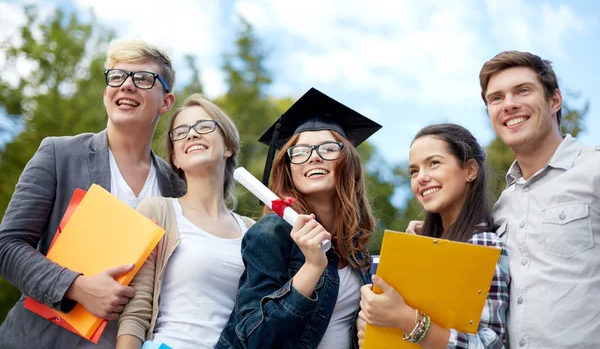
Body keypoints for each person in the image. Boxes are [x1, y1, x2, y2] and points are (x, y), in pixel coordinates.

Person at [0, 39, 185, 349]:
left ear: (166, 102)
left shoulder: (177, 186)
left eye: (142, 78)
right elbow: (6, 247)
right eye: (117, 77)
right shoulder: (59, 154)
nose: (126, 86)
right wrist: (77, 287)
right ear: (106, 93)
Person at [216, 88, 381, 349]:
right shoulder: (272, 233)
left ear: (347, 161)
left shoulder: (357, 252)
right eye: (301, 151)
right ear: (289, 169)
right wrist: (313, 266)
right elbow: (254, 341)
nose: (314, 156)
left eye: (328, 148)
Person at [478, 51, 600, 348]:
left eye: (522, 90)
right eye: (496, 98)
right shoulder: (501, 207)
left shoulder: (594, 169)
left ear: (554, 100)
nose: (509, 104)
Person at [115, 93, 254, 349]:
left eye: (204, 126)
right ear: (176, 158)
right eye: (180, 132)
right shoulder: (157, 212)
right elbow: (136, 311)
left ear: (228, 146)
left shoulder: (253, 232)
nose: (191, 135)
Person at [358, 123, 509, 348]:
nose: (421, 177)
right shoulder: (421, 245)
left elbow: (490, 344)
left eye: (434, 163)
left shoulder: (483, 245)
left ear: (470, 170)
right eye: (414, 171)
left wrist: (406, 319)